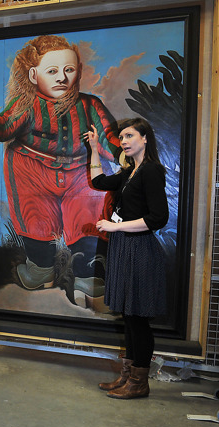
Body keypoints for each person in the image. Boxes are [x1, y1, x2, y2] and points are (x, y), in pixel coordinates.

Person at [0, 35, 121, 300]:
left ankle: (88, 276)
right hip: (32, 170)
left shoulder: (90, 105)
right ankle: (41, 269)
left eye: (69, 70)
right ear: (33, 74)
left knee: (87, 217)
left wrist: (121, 155)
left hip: (79, 172)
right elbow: (5, 126)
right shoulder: (26, 104)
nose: (61, 77)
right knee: (36, 218)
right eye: (52, 71)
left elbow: (107, 134)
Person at [89, 117, 168, 399]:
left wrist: (115, 226)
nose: (124, 141)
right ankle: (128, 377)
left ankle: (139, 383)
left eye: (130, 135)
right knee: (129, 316)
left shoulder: (151, 171)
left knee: (137, 319)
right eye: (121, 137)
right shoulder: (129, 172)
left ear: (145, 138)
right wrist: (95, 149)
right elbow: (98, 181)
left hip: (140, 249)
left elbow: (159, 218)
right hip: (124, 248)